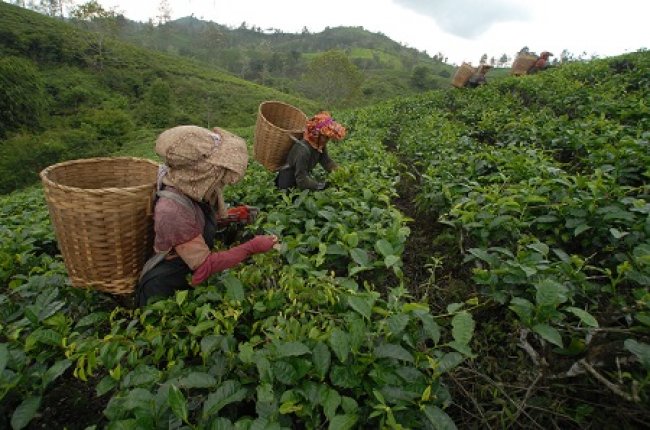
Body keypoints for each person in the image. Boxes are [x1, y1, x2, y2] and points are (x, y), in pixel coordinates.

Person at [137, 125, 278, 306]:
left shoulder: (190, 192)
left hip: (185, 278)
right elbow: (205, 266)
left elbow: (196, 222)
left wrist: (233, 216)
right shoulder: (171, 210)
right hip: (164, 290)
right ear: (199, 172)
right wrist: (252, 247)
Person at [275, 111, 347, 190]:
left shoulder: (319, 145)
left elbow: (327, 162)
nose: (327, 140)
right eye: (325, 137)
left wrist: (341, 173)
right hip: (288, 183)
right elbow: (301, 180)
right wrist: (321, 186)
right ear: (317, 134)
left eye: (328, 137)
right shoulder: (303, 150)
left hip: (301, 177)